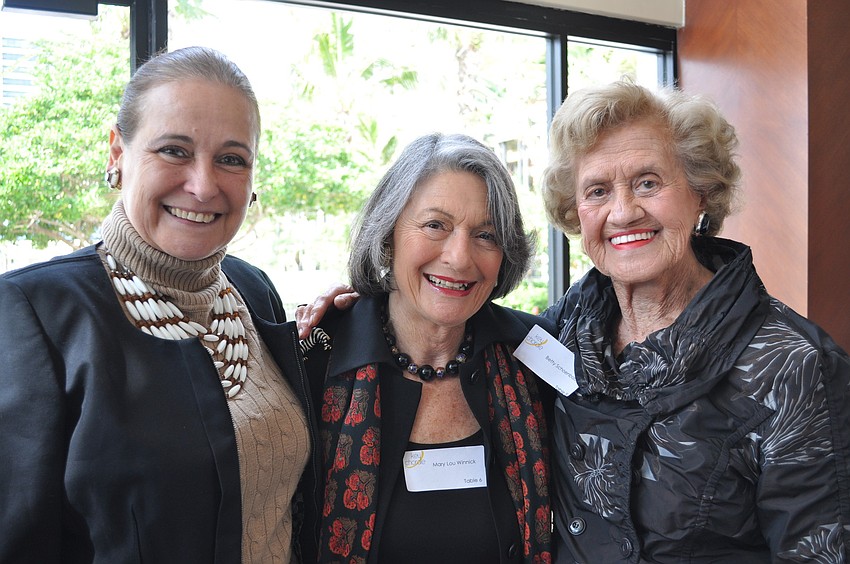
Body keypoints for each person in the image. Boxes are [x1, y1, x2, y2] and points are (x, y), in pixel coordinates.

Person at [298, 81, 850, 562]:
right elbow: (444, 309)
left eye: (649, 182)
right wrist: (358, 301)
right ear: (575, 212)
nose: (623, 211)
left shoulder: (795, 368)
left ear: (701, 192)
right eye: (597, 190)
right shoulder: (563, 335)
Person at [0, 46, 321, 563]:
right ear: (116, 154)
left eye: (231, 159)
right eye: (174, 150)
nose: (202, 184)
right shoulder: (35, 313)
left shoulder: (254, 290)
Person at [297, 133, 554, 563]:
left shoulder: (537, 354)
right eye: (436, 225)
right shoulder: (314, 357)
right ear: (388, 232)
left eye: (486, 235)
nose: (459, 257)